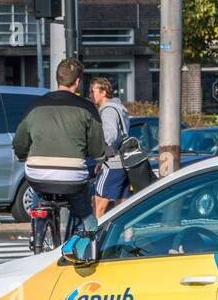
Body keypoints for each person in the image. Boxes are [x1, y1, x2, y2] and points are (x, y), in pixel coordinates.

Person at [13, 59, 107, 236]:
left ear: (57, 79)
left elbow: (19, 141)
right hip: (72, 176)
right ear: (78, 81)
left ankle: (37, 229)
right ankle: (87, 228)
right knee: (83, 197)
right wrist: (98, 156)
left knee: (39, 190)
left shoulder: (35, 105)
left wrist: (22, 154)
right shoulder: (87, 107)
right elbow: (97, 148)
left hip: (37, 173)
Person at [89, 76, 130, 218]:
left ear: (104, 92)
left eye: (93, 90)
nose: (91, 94)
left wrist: (99, 152)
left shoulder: (108, 110)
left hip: (112, 163)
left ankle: (94, 239)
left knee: (97, 205)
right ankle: (126, 238)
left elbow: (110, 136)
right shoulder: (119, 108)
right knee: (122, 209)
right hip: (124, 164)